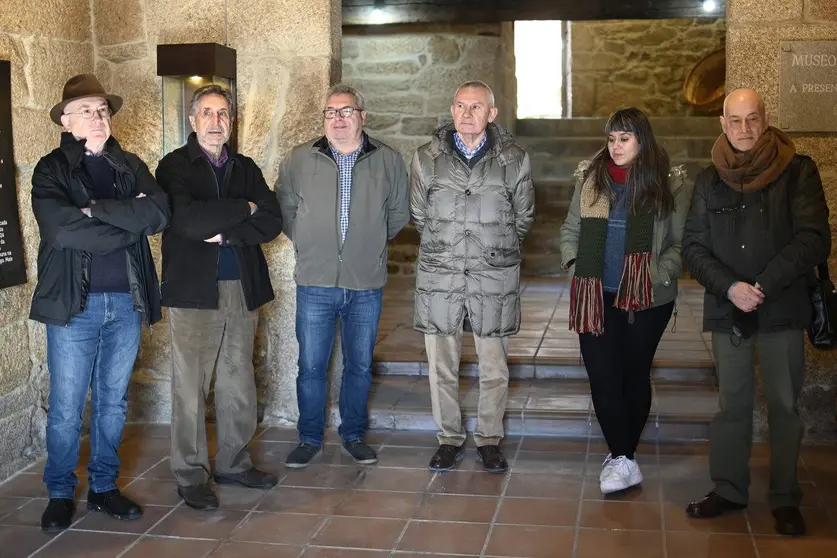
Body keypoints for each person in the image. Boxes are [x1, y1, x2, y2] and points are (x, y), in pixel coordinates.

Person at [683, 88, 830, 536]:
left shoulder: (799, 171)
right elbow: (693, 245)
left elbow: (814, 238)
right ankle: (729, 488)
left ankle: (785, 497)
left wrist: (762, 285)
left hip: (782, 306)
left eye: (751, 119)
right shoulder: (709, 180)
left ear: (765, 120)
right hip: (730, 310)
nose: (743, 129)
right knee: (732, 406)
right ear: (722, 124)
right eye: (734, 120)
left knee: (785, 405)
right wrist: (731, 287)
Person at [31, 74, 170, 531]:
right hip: (76, 306)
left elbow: (159, 213)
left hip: (125, 303)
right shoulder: (50, 168)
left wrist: (97, 212)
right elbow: (61, 229)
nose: (98, 117)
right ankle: (59, 491)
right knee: (68, 405)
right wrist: (128, 221)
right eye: (87, 110)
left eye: (103, 110)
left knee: (113, 403)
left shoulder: (128, 164)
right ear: (66, 120)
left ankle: (104, 488)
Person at [156, 84, 284, 510]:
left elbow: (271, 219)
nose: (216, 121)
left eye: (223, 114)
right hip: (193, 290)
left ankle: (234, 461)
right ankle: (191, 473)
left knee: (237, 379)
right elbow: (188, 220)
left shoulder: (244, 166)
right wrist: (242, 208)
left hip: (241, 286)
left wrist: (228, 230)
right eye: (207, 113)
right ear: (192, 121)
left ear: (231, 121)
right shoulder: (174, 167)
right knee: (191, 386)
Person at [276, 84, 410, 468]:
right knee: (312, 366)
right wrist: (307, 239)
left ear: (362, 116)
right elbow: (283, 202)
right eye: (330, 112)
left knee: (360, 365)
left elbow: (399, 212)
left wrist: (367, 245)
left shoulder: (388, 160)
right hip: (315, 281)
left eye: (346, 111)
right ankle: (309, 437)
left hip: (365, 283)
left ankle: (353, 435)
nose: (338, 118)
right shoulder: (301, 158)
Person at [559, 107, 690, 494]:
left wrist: (656, 272)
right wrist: (573, 265)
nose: (616, 147)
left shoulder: (669, 184)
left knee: (634, 374)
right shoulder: (589, 179)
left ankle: (622, 456)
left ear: (641, 141)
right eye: (612, 138)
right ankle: (622, 456)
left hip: (647, 299)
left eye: (625, 139)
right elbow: (569, 230)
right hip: (595, 295)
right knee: (602, 376)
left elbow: (682, 244)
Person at [410, 80, 534, 473]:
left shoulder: (514, 158)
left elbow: (524, 216)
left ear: (491, 114)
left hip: (491, 276)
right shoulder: (426, 157)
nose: (467, 114)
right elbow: (418, 215)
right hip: (441, 274)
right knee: (441, 364)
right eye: (461, 106)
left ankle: (489, 439)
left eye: (476, 107)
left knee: (493, 366)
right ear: (452, 110)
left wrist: (490, 248)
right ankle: (448, 437)